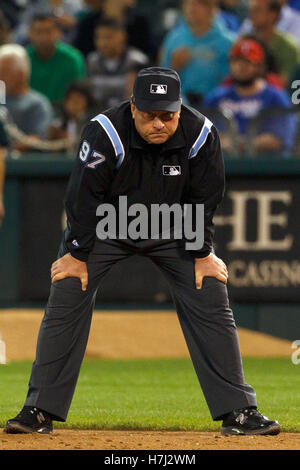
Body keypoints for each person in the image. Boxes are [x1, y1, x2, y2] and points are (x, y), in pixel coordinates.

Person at [4, 67, 280, 437]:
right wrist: (76, 253)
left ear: (180, 109)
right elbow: (82, 197)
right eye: (149, 114)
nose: (159, 123)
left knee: (210, 290)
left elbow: (206, 197)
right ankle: (38, 410)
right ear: (133, 107)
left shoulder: (201, 133)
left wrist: (202, 253)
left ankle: (240, 412)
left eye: (167, 114)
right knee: (68, 290)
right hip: (106, 224)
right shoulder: (105, 131)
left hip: (174, 225)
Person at [203, 37, 297, 156]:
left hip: (267, 167)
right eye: (236, 61)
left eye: (247, 62)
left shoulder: (276, 97)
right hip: (223, 166)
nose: (241, 67)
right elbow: (205, 136)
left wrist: (238, 143)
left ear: (260, 66)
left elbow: (279, 139)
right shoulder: (216, 97)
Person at [160, 0, 235, 107]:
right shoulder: (174, 39)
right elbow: (163, 82)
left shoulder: (228, 43)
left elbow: (233, 82)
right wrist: (174, 68)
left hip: (217, 106)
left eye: (199, 4)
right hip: (181, 106)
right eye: (188, 3)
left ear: (212, 8)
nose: (192, 8)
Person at [86, 18, 149, 110]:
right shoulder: (92, 61)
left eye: (108, 37)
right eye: (98, 37)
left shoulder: (137, 61)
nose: (102, 43)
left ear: (123, 36)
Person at [26, 13, 86, 103]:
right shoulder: (23, 59)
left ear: (59, 33)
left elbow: (78, 95)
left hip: (64, 111)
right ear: (30, 33)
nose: (44, 37)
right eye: (39, 32)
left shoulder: (72, 59)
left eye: (48, 31)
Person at [238, 0, 299, 85]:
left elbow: (286, 83)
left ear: (272, 14)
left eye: (257, 10)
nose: (250, 15)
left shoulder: (289, 48)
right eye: (250, 10)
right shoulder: (243, 43)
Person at [0, 44, 53, 142]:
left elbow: (36, 140)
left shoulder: (38, 104)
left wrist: (7, 151)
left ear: (21, 73)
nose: (0, 76)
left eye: (5, 71)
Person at [48, 80, 96, 152]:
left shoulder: (93, 124)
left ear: (87, 102)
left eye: (78, 100)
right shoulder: (58, 124)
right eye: (71, 99)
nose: (74, 104)